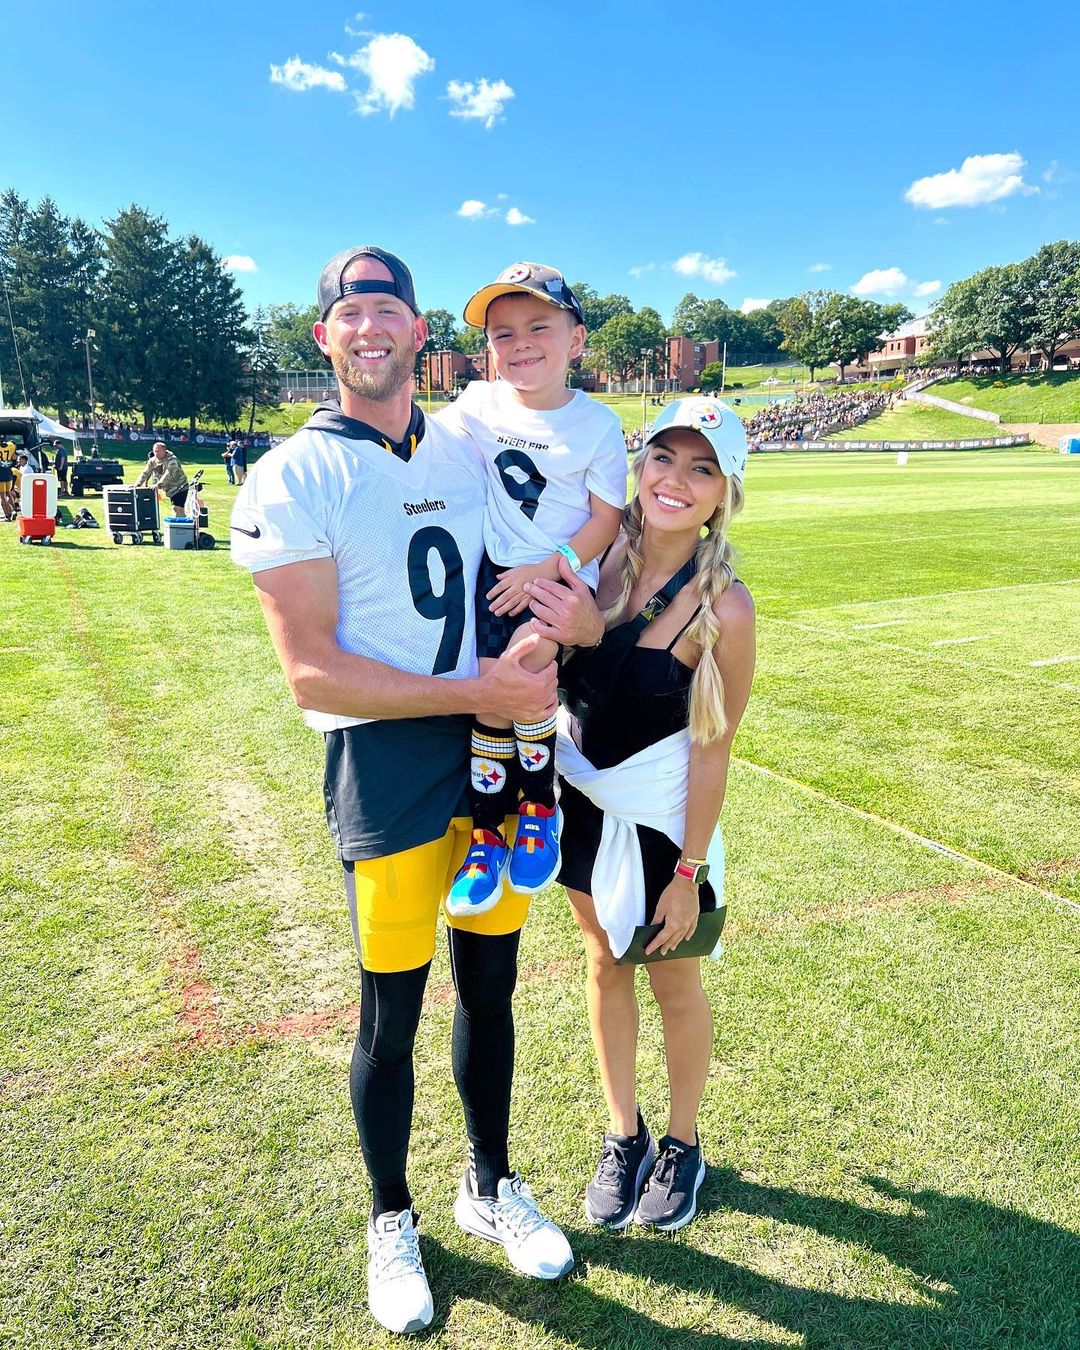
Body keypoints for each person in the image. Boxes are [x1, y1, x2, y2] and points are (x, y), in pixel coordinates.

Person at [230, 246, 573, 1337]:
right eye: (350, 312)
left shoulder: (469, 445)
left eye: (388, 309)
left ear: (421, 333)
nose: (370, 326)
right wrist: (476, 686)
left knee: (492, 985)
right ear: (324, 336)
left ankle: (489, 1182)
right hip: (386, 757)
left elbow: (549, 547)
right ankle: (391, 1213)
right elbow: (312, 674)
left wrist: (550, 638)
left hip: (490, 746)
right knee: (393, 1008)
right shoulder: (292, 474)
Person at [524, 397, 756, 1233]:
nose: (676, 480)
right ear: (640, 464)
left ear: (725, 493)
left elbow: (712, 750)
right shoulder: (596, 556)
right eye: (664, 458)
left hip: (665, 827)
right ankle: (624, 1136)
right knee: (603, 963)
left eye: (702, 469)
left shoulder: (726, 607)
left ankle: (683, 1144)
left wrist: (689, 873)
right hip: (582, 805)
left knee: (675, 981)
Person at [437, 263, 625, 915]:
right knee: (492, 697)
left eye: (538, 327)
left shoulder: (596, 424)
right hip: (495, 572)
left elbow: (607, 519)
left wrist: (550, 566)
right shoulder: (476, 403)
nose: (520, 344)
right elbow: (422, 445)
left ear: (576, 339)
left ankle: (541, 810)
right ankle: (488, 838)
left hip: (561, 575)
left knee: (524, 674)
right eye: (503, 333)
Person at [135, 441, 189, 513]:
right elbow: (145, 473)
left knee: (177, 508)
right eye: (155, 451)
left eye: (158, 451)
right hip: (170, 489)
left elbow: (168, 474)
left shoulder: (172, 460)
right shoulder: (152, 461)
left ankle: (180, 520)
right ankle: (182, 519)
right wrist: (137, 485)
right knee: (178, 510)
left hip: (180, 487)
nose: (156, 453)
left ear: (164, 451)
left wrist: (157, 485)